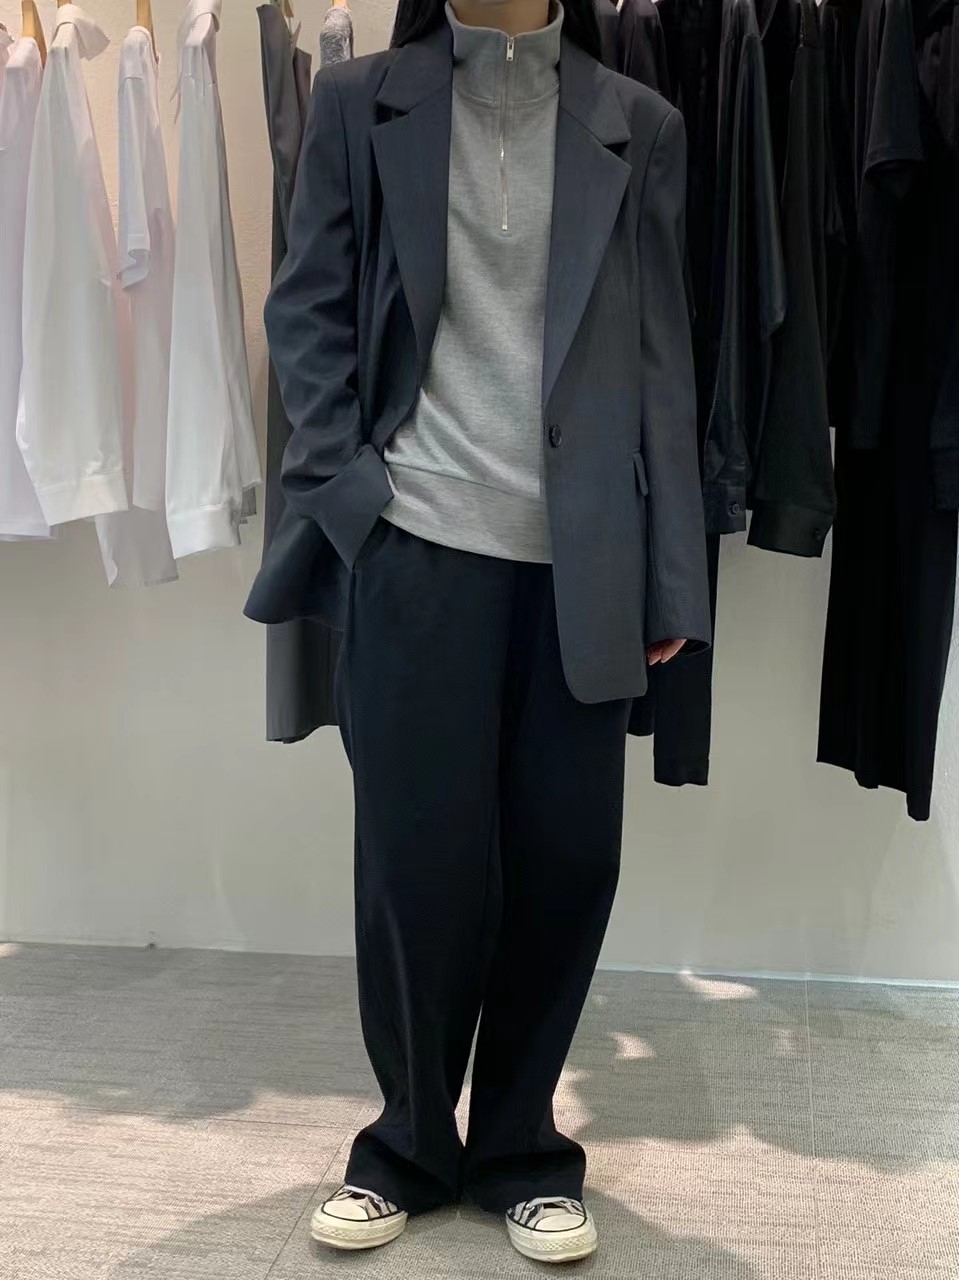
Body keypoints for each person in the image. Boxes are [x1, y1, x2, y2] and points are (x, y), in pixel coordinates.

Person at [244, 0, 710, 1262]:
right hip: (415, 549)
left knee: (566, 862)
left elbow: (662, 361)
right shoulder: (358, 103)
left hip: (581, 566)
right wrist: (353, 501)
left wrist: (671, 579)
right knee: (415, 866)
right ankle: (404, 1142)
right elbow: (308, 313)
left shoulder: (638, 123)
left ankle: (519, 1147)